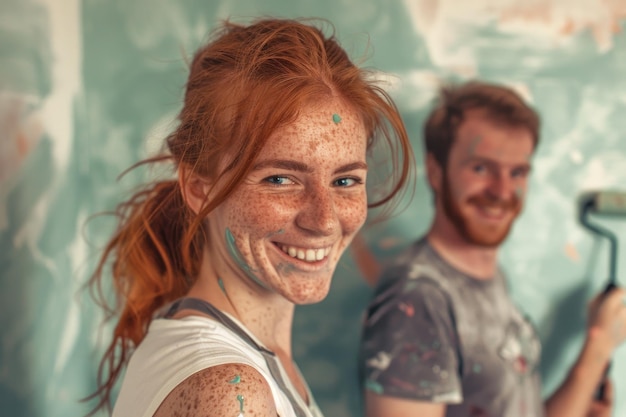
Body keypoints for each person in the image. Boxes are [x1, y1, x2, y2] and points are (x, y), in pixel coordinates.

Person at [86, 18, 414, 417]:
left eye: (345, 180)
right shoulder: (231, 393)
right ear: (198, 188)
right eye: (280, 179)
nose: (324, 220)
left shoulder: (245, 361)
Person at [357, 80, 626, 417]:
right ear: (437, 171)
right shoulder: (417, 300)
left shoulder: (488, 279)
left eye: (517, 172)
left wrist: (580, 399)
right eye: (481, 168)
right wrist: (597, 350)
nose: (502, 191)